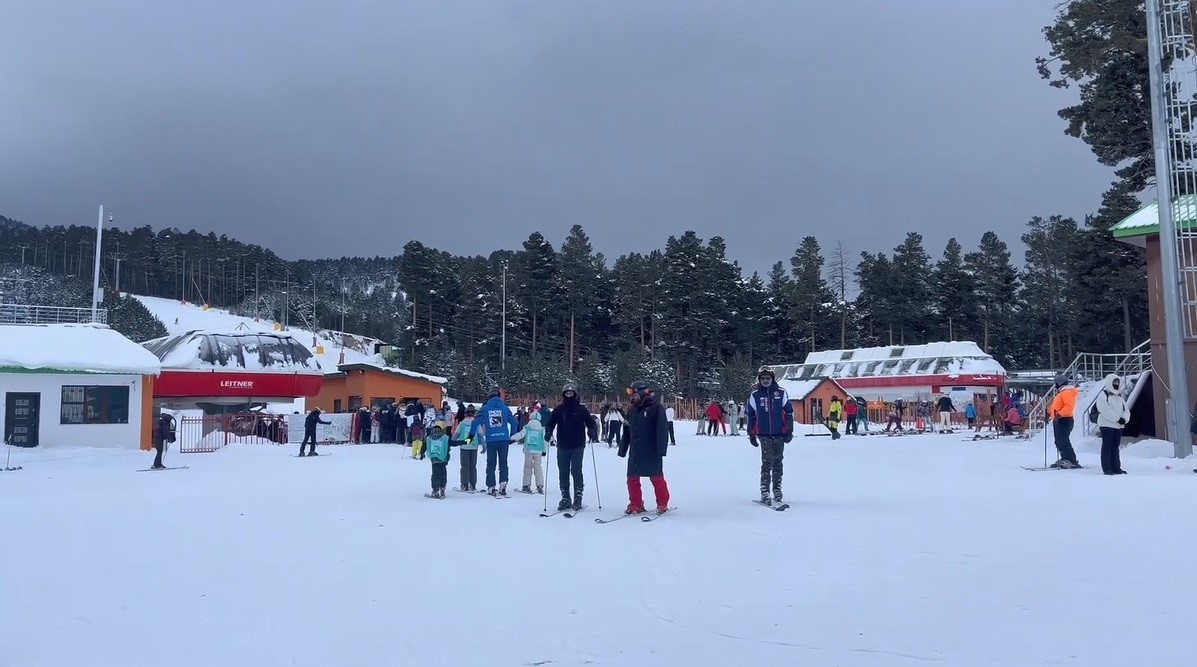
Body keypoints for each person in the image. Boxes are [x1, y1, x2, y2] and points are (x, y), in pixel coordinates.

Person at [618, 381, 670, 515]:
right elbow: (627, 429)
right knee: (632, 478)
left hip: (652, 450)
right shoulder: (632, 409)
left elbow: (662, 430)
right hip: (636, 450)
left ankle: (662, 503)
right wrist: (623, 449)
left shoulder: (657, 408)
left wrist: (661, 450)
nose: (631, 396)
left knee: (657, 478)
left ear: (642, 392)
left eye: (633, 393)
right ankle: (636, 503)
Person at [545, 382, 597, 511]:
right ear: (563, 395)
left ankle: (578, 498)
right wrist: (548, 431)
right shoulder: (558, 410)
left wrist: (591, 430)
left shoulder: (581, 409)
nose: (569, 396)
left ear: (575, 394)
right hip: (562, 445)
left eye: (571, 393)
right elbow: (550, 423)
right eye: (566, 393)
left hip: (578, 444)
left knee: (576, 471)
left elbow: (591, 423)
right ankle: (565, 498)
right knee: (563, 472)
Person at [744, 369, 793, 506]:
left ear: (772, 379)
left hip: (779, 433)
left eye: (768, 378)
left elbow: (788, 412)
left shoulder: (781, 393)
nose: (765, 381)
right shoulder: (755, 395)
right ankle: (764, 491)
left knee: (778, 461)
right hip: (763, 433)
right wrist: (751, 434)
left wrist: (789, 430)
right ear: (759, 380)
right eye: (763, 378)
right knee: (767, 462)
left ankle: (777, 489)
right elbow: (751, 415)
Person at [468, 388, 520, 496]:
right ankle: (503, 483)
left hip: (491, 440)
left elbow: (474, 423)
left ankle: (491, 486)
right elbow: (514, 422)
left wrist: (470, 437)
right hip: (504, 439)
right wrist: (512, 436)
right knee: (503, 463)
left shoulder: (485, 408)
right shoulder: (505, 408)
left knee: (491, 464)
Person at [1095, 373, 1130, 475]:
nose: (1116, 384)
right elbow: (1104, 409)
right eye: (1114, 382)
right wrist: (1117, 419)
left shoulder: (1119, 396)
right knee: (1107, 447)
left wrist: (1125, 419)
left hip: (1118, 426)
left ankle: (1116, 467)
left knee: (1115, 447)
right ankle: (1107, 468)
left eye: (1117, 382)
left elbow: (1125, 409)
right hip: (1106, 425)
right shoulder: (1103, 394)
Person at [1047, 375, 1081, 469]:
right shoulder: (1062, 392)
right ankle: (1065, 458)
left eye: (1056, 383)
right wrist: (1049, 413)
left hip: (1065, 419)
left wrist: (1059, 415)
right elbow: (1057, 406)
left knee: (1063, 440)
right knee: (1059, 441)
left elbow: (1069, 407)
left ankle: (1071, 460)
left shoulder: (1067, 392)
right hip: (1060, 419)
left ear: (1060, 383)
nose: (1055, 385)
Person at [514, 411, 546, 494]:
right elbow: (544, 440)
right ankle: (540, 485)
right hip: (538, 450)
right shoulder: (541, 429)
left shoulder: (527, 427)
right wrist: (544, 450)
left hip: (528, 450)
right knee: (538, 467)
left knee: (527, 467)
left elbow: (521, 435)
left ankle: (526, 485)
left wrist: (512, 439)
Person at [425, 421, 453, 498]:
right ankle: (442, 489)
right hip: (443, 459)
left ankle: (435, 490)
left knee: (435, 474)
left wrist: (421, 454)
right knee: (443, 474)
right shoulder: (445, 438)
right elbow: (454, 443)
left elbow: (425, 446)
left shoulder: (429, 437)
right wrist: (467, 441)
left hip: (434, 460)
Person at [455, 405, 479, 492]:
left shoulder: (462, 423)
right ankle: (473, 484)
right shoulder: (476, 423)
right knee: (473, 466)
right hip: (474, 446)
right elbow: (480, 434)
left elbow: (456, 434)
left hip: (464, 446)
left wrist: (451, 442)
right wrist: (484, 445)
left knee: (464, 466)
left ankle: (464, 484)